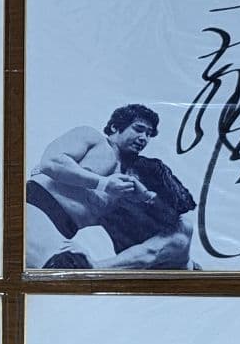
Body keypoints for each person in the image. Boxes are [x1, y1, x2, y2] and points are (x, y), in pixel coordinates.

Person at [25, 103, 196, 269]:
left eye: (149, 134)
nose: (144, 138)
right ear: (115, 127)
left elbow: (169, 222)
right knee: (67, 266)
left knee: (75, 268)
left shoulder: (129, 180)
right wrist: (103, 183)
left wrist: (145, 196)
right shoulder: (92, 138)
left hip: (60, 233)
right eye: (138, 129)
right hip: (33, 209)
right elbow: (51, 163)